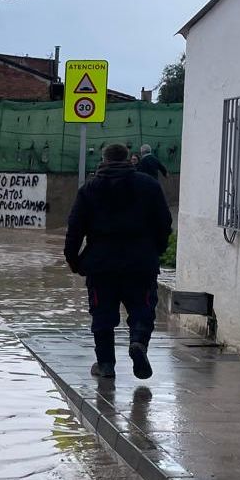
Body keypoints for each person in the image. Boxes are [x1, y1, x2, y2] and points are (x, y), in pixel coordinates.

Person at [64, 143, 173, 380]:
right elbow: (164, 223)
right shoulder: (149, 185)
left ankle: (105, 365)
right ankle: (138, 343)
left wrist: (74, 261)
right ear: (128, 159)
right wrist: (156, 251)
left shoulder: (89, 189)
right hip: (140, 262)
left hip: (101, 264)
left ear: (103, 159)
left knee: (102, 314)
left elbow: (74, 229)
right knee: (142, 307)